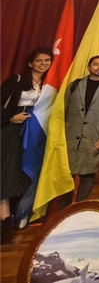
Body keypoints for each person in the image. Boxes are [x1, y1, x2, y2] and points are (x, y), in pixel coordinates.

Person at [1, 48, 52, 243]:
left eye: (47, 60)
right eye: (39, 61)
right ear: (30, 63)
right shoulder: (17, 80)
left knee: (22, 175)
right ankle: (5, 221)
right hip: (11, 133)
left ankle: (14, 217)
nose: (43, 64)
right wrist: (11, 117)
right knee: (6, 173)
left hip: (33, 136)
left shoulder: (48, 85)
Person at [59, 55, 99, 210]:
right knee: (66, 175)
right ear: (89, 67)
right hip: (70, 138)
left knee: (88, 176)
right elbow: (63, 109)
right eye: (96, 64)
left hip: (94, 138)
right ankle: (62, 210)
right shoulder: (75, 85)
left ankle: (79, 208)